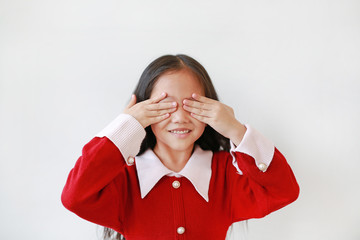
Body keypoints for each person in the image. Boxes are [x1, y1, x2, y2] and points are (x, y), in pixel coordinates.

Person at [61, 54, 300, 240]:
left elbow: (284, 190)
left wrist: (235, 129)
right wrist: (126, 127)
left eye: (192, 105)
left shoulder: (225, 173)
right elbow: (75, 196)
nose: (179, 118)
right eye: (166, 105)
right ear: (144, 110)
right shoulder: (124, 179)